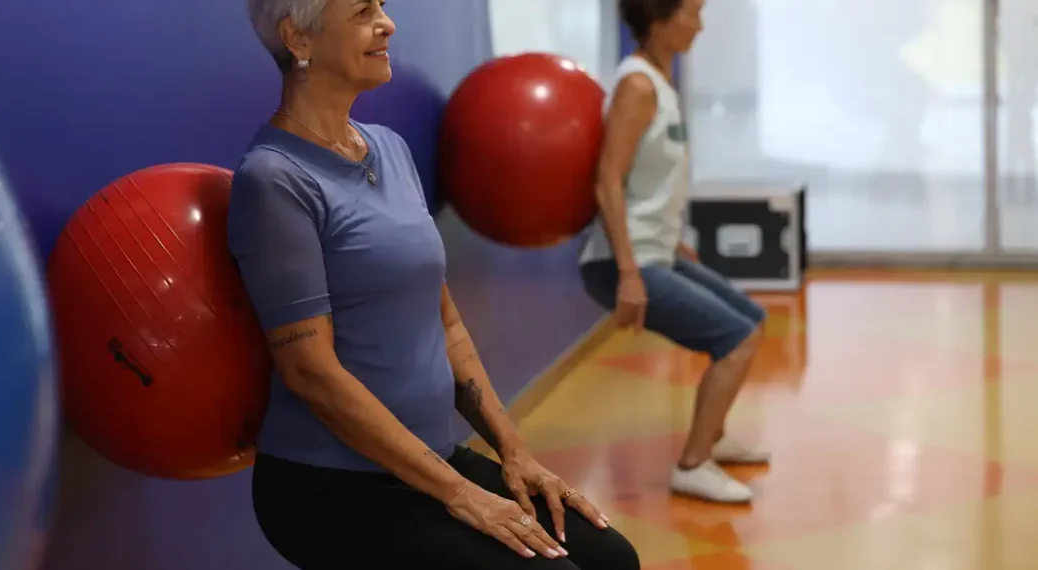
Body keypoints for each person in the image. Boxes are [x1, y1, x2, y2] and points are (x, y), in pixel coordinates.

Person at [228, 1, 641, 568]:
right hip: (329, 485)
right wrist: (463, 494)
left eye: (383, 6)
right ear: (298, 37)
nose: (387, 23)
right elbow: (311, 371)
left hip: (432, 459)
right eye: (361, 11)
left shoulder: (391, 150)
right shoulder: (275, 179)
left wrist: (515, 454)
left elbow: (444, 322)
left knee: (611, 559)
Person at [579, 0, 771, 505]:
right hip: (623, 261)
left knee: (750, 315)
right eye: (693, 12)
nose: (701, 23)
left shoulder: (660, 82)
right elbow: (607, 182)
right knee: (738, 340)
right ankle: (693, 464)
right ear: (661, 21)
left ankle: (714, 436)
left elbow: (650, 182)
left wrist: (673, 239)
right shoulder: (637, 87)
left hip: (653, 250)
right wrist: (628, 273)